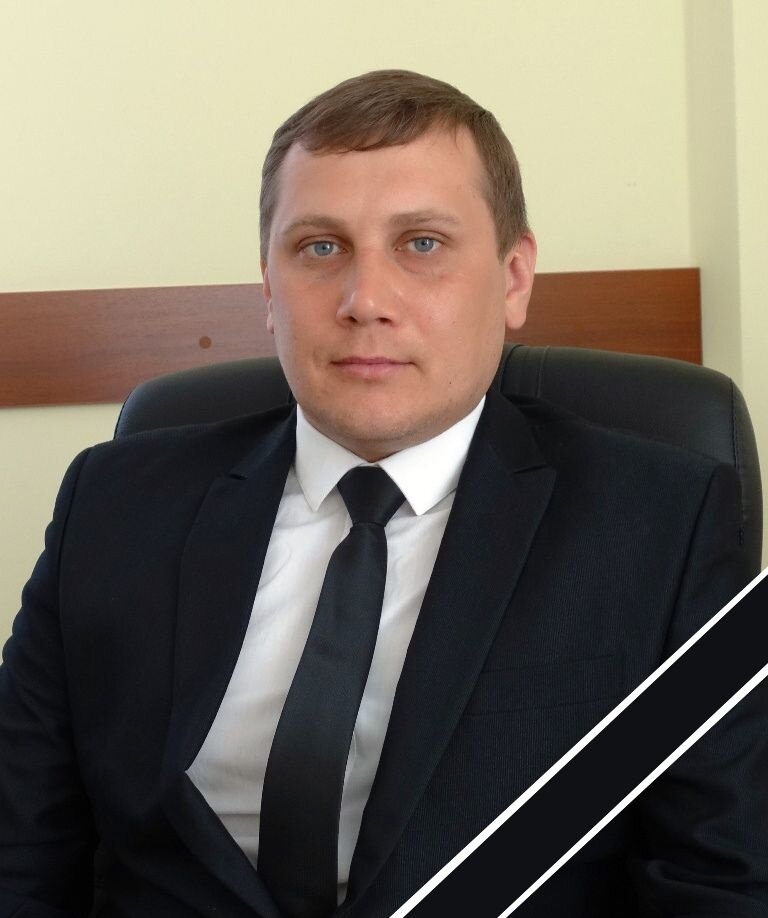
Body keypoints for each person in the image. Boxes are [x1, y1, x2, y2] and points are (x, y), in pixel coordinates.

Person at [0, 69, 765, 918]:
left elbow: (720, 881)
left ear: (514, 278)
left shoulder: (665, 524)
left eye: (422, 244)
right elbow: (20, 846)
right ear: (269, 287)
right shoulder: (113, 504)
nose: (366, 301)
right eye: (320, 248)